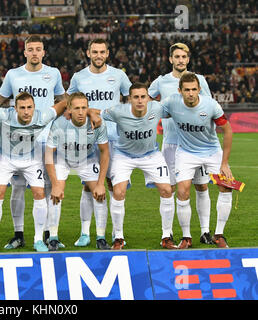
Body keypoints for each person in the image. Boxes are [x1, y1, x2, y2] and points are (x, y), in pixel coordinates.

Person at [0, 35, 66, 249]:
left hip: (45, 137)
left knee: (47, 188)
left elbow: (62, 100)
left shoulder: (53, 73)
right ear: (24, 52)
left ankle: (49, 235)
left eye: (38, 49)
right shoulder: (13, 75)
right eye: (30, 49)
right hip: (18, 140)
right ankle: (19, 234)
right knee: (18, 188)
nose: (34, 53)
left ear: (43, 52)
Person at [66, 38, 131, 247]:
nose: (98, 55)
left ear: (108, 53)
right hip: (87, 138)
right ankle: (86, 233)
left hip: (114, 138)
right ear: (88, 53)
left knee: (113, 186)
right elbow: (71, 105)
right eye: (95, 52)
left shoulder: (119, 76)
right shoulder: (78, 77)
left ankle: (115, 233)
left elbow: (132, 102)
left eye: (102, 52)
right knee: (88, 186)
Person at [0, 92, 67, 253]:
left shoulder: (42, 116)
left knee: (39, 193)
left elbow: (63, 104)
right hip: (5, 158)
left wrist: (71, 109)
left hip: (31, 158)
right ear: (15, 108)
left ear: (34, 107)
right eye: (22, 108)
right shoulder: (4, 115)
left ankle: (38, 240)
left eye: (29, 107)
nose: (26, 111)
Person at [148, 42, 214, 245]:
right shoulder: (161, 82)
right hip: (171, 144)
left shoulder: (199, 80)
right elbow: (147, 103)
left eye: (184, 57)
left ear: (188, 59)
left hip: (196, 144)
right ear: (170, 59)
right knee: (169, 189)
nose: (180, 60)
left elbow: (209, 108)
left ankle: (205, 232)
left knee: (201, 187)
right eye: (177, 57)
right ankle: (166, 234)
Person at [161, 72, 234, 249]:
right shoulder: (171, 102)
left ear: (199, 89)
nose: (191, 93)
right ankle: (186, 237)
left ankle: (218, 235)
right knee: (183, 190)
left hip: (211, 152)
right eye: (187, 90)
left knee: (226, 186)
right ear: (180, 91)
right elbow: (149, 113)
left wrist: (224, 163)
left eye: (194, 89)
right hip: (186, 152)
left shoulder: (211, 105)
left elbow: (228, 131)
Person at [100, 82, 175, 249]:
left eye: (143, 97)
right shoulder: (118, 111)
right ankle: (118, 237)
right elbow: (97, 113)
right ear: (129, 99)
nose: (140, 101)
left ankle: (167, 236)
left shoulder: (156, 108)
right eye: (136, 97)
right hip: (124, 156)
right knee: (118, 191)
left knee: (167, 190)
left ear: (148, 98)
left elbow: (176, 111)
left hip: (151, 155)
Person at [45, 92, 110, 250]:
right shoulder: (59, 124)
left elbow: (105, 153)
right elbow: (48, 155)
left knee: (99, 193)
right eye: (77, 108)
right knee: (56, 194)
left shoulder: (97, 124)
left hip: (87, 160)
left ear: (88, 109)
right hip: (62, 159)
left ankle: (100, 237)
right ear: (69, 109)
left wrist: (101, 183)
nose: (81, 112)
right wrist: (55, 184)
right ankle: (53, 238)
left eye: (84, 108)